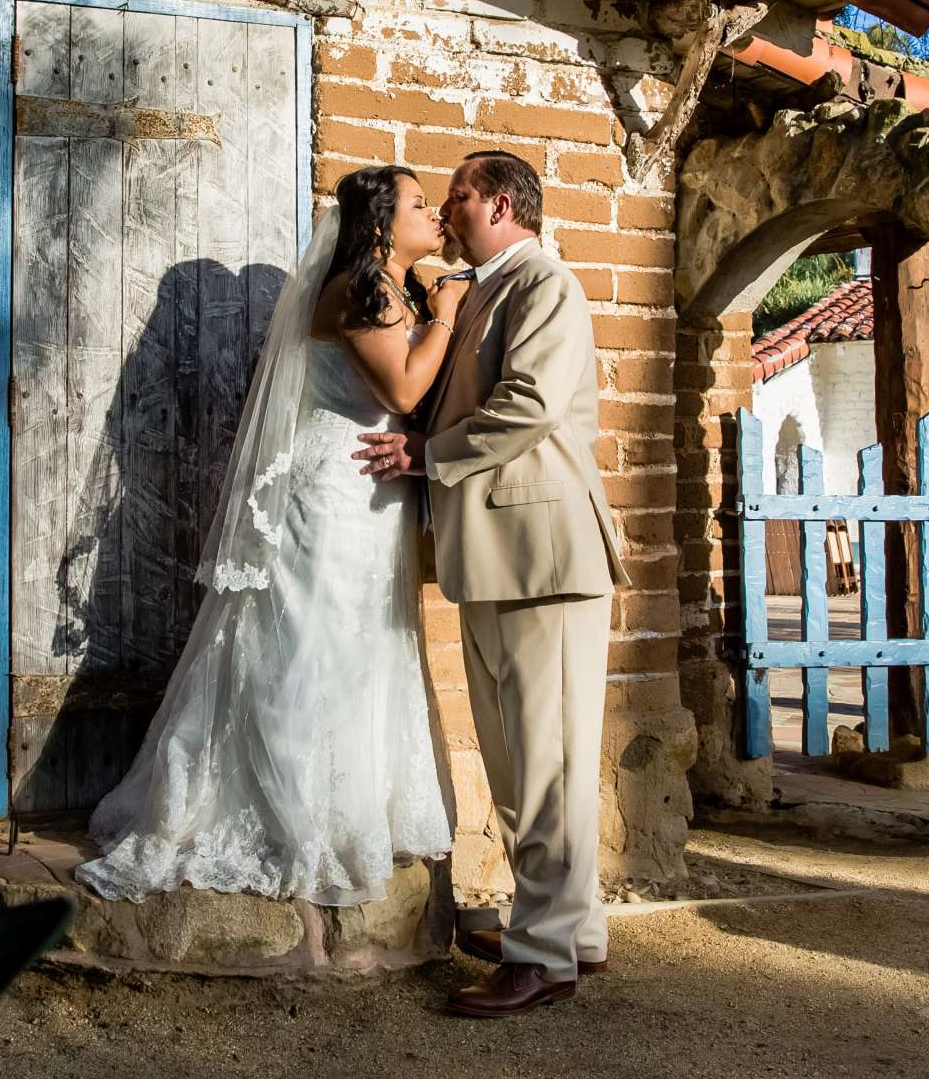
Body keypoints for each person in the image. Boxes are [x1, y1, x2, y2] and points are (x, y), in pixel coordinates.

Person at [76, 166, 464, 907]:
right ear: (381, 224)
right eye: (419, 204)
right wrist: (446, 310)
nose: (434, 215)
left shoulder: (389, 289)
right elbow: (404, 390)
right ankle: (287, 812)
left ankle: (346, 806)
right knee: (308, 641)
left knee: (356, 643)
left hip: (369, 492)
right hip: (329, 491)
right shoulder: (363, 289)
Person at [356, 149, 627, 1018]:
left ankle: (542, 952)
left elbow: (531, 405)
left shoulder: (542, 282)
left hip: (541, 554)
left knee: (540, 763)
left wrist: (427, 456)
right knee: (530, 760)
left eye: (460, 196)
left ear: (502, 204)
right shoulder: (483, 288)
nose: (446, 209)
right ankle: (569, 930)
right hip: (501, 553)